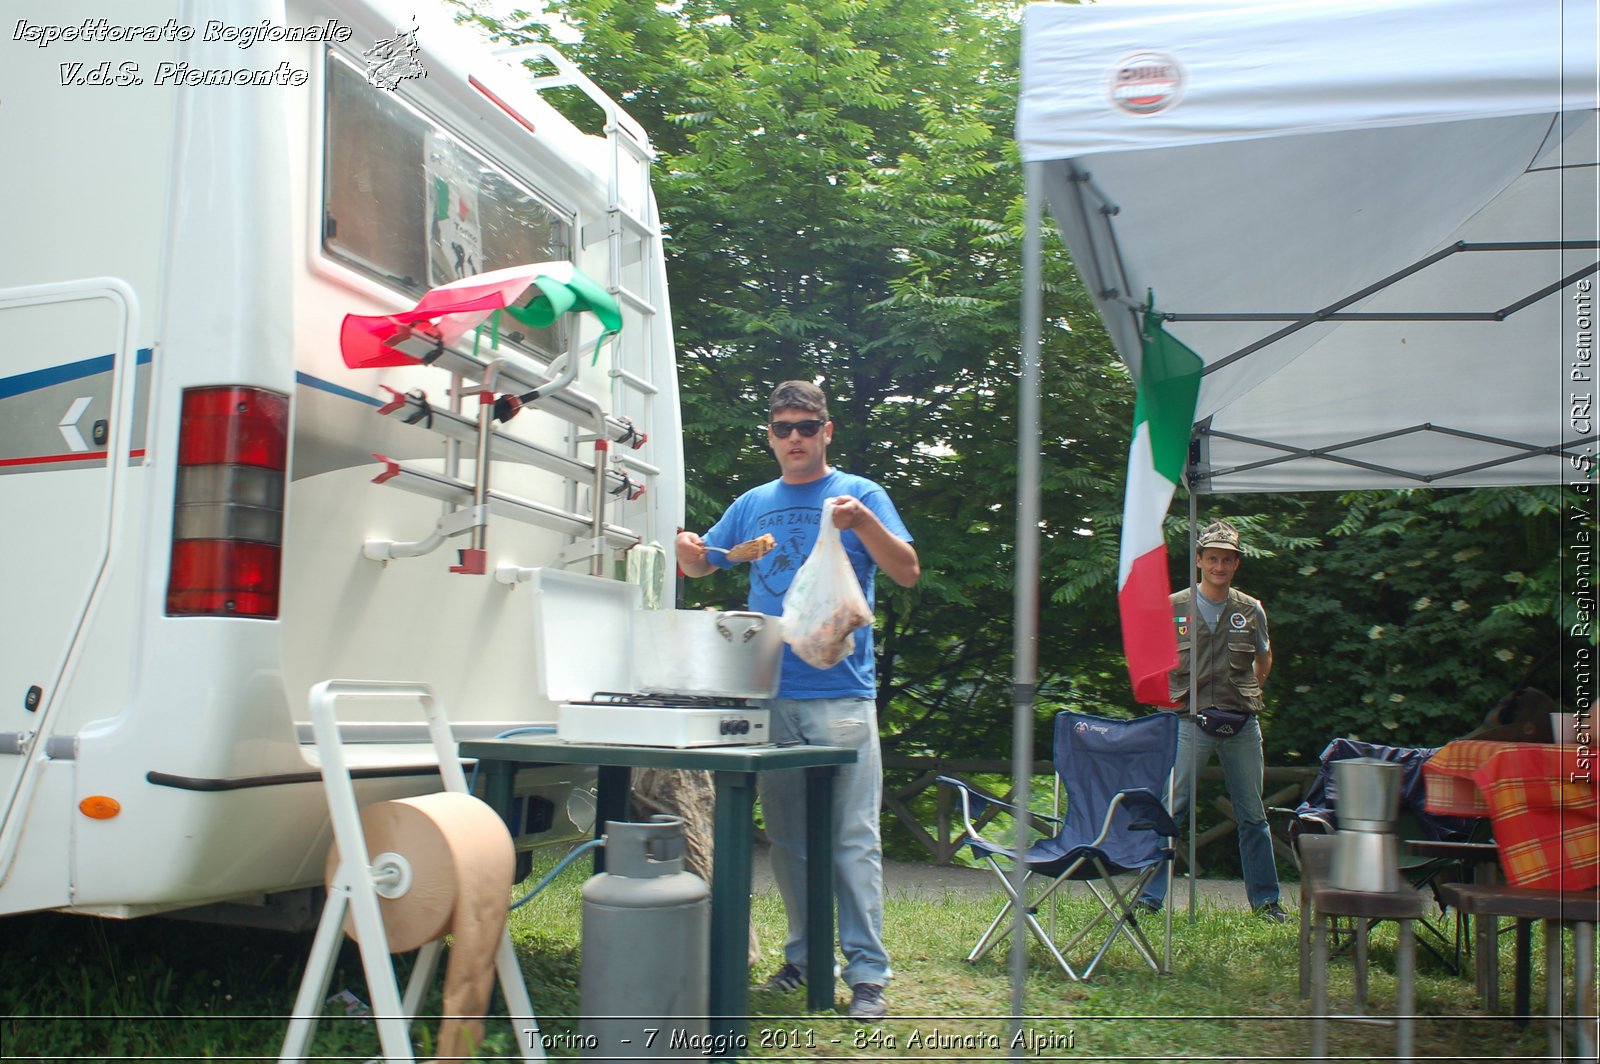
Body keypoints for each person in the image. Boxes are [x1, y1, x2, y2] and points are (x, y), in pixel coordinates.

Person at [675, 380, 919, 1021]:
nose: (795, 439)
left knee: (851, 840)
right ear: (770, 436)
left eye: (806, 427)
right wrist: (689, 554)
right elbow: (708, 565)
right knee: (787, 841)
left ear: (827, 431)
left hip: (840, 694)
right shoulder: (754, 503)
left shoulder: (861, 494)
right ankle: (805, 961)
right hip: (769, 696)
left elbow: (907, 571)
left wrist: (861, 522)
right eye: (783, 428)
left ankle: (867, 976)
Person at [1135, 519, 1287, 922]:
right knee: (1173, 808)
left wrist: (1251, 690)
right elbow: (1151, 658)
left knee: (1253, 814)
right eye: (1213, 558)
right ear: (1199, 560)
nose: (1220, 566)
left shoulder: (1251, 609)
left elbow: (1264, 657)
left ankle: (1267, 902)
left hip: (1242, 725)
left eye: (1228, 560)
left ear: (1236, 564)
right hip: (1189, 722)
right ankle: (1149, 897)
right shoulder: (1173, 606)